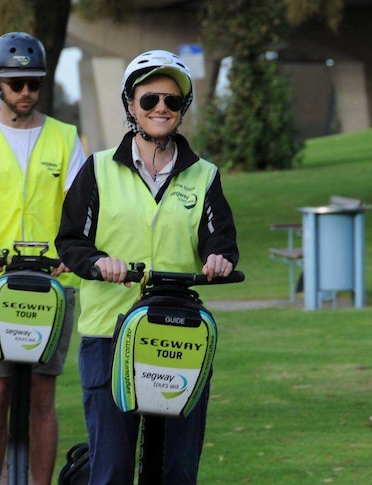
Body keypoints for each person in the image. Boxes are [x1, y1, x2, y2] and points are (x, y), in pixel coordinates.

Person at [55, 49, 240, 485]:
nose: (161, 108)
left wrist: (219, 258)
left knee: (177, 469)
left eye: (172, 102)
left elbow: (221, 238)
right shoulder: (97, 170)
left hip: (179, 334)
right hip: (109, 332)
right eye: (150, 99)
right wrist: (100, 263)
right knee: (113, 469)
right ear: (130, 104)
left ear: (182, 110)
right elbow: (70, 241)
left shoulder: (204, 175)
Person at [0, 31, 86, 485]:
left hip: (53, 281)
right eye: (15, 83)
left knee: (43, 395)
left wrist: (73, 252)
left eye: (33, 83)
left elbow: (80, 204)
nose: (25, 92)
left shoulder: (66, 138)